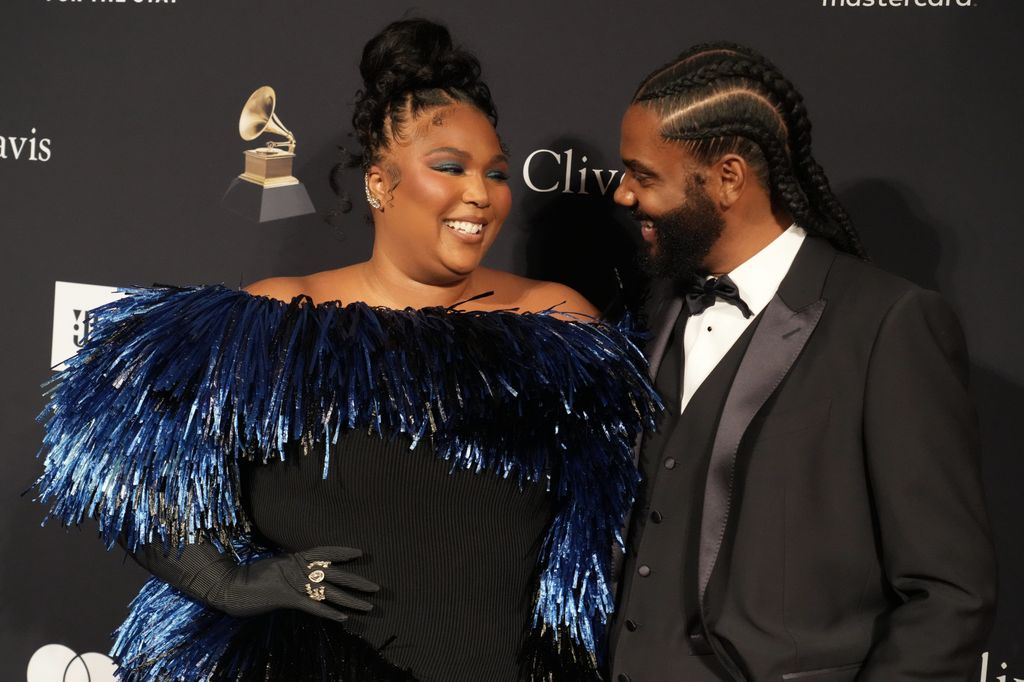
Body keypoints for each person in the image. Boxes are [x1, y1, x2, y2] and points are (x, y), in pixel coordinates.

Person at [34, 19, 659, 682]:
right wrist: (232, 584)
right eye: (450, 167)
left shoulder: (558, 325)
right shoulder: (280, 319)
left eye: (496, 173)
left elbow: (616, 524)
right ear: (381, 184)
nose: (480, 194)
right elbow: (117, 459)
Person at [608, 42, 996, 681]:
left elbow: (948, 593)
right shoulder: (659, 304)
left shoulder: (888, 324)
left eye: (643, 176)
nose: (623, 194)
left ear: (728, 178)